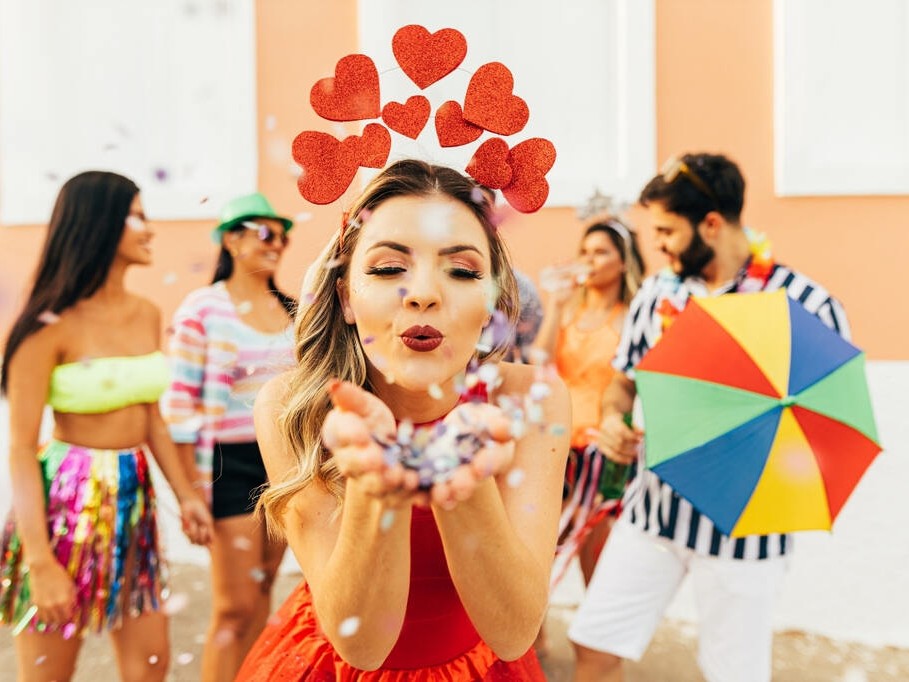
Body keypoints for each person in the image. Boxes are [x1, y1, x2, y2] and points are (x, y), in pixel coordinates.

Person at [234, 159, 570, 680]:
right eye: (389, 269)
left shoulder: (533, 400)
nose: (424, 293)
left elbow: (513, 632)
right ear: (345, 296)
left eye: (461, 271)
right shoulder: (291, 408)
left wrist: (462, 476)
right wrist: (375, 487)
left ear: (490, 306)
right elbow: (362, 646)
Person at [567, 153, 850, 682]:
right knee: (595, 646)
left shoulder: (807, 305)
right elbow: (623, 382)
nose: (660, 246)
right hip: (653, 513)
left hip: (747, 535)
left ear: (712, 224)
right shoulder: (658, 292)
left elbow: (825, 427)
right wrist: (614, 421)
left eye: (667, 231)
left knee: (733, 675)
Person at [0, 170, 213, 682]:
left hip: (132, 501)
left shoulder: (145, 313)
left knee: (151, 668)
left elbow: (151, 417)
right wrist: (41, 561)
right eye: (136, 214)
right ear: (98, 224)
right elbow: (22, 450)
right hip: (64, 507)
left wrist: (185, 495)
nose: (149, 228)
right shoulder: (47, 325)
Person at [161, 192, 295, 682]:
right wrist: (189, 490)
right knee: (233, 606)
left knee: (263, 592)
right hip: (225, 464)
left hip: (283, 460)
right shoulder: (203, 308)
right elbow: (178, 407)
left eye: (282, 235)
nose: (276, 243)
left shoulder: (293, 311)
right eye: (264, 233)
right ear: (232, 240)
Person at [534, 218, 645, 585]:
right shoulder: (567, 311)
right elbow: (539, 361)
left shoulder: (630, 319)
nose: (590, 260)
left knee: (594, 555)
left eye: (601, 252)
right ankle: (538, 640)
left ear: (624, 262)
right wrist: (555, 303)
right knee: (544, 548)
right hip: (559, 443)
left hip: (602, 449)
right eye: (585, 252)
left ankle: (595, 633)